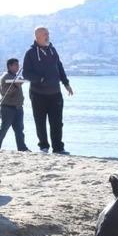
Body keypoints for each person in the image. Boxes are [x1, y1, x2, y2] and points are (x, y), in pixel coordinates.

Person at [22, 26, 73, 154]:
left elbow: (59, 67)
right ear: (37, 36)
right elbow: (26, 73)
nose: (48, 36)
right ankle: (43, 147)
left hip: (55, 93)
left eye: (48, 33)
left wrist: (66, 83)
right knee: (40, 122)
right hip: (38, 94)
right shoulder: (30, 53)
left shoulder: (52, 50)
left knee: (57, 122)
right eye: (45, 34)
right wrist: (41, 79)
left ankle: (58, 148)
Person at [0, 58, 29, 151]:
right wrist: (17, 83)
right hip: (8, 107)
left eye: (18, 65)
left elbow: (20, 81)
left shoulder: (14, 76)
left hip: (18, 107)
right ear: (10, 66)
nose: (18, 67)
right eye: (16, 65)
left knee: (19, 130)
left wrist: (19, 81)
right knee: (4, 128)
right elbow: (6, 91)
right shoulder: (6, 76)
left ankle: (22, 148)